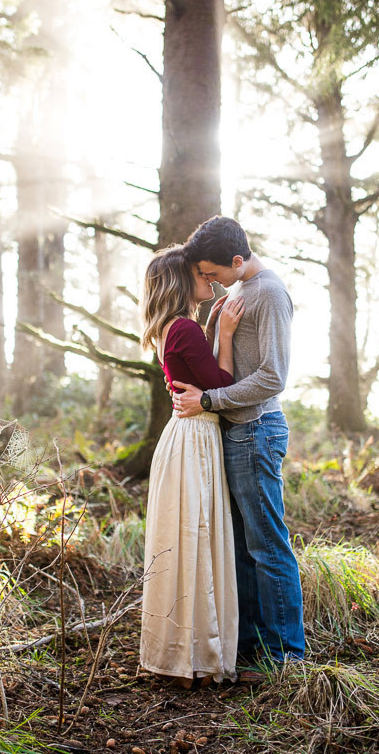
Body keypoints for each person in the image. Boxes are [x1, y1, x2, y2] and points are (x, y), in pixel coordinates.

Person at [172, 217, 305, 671]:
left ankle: (288, 654)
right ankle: (251, 649)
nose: (208, 281)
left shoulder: (268, 292)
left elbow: (273, 377)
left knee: (267, 544)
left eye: (212, 273)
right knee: (242, 546)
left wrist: (210, 399)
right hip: (233, 432)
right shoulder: (234, 296)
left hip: (258, 429)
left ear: (235, 260)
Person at [139, 245, 245, 687]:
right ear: (182, 280)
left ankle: (185, 651)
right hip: (195, 435)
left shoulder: (175, 327)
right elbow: (222, 384)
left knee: (188, 537)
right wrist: (223, 336)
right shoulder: (183, 327)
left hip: (189, 434)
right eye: (200, 273)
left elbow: (202, 380)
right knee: (196, 537)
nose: (210, 277)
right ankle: (196, 656)